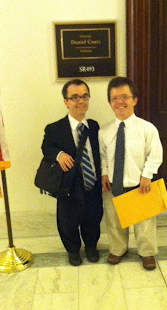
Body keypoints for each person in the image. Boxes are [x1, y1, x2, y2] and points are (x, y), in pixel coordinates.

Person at [99, 76, 163, 270]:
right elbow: (103, 156)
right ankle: (118, 249)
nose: (120, 102)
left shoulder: (147, 128)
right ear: (110, 103)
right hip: (113, 185)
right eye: (115, 98)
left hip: (140, 184)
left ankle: (147, 252)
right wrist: (104, 173)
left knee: (144, 223)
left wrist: (147, 175)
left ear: (135, 100)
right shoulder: (104, 131)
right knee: (114, 221)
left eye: (125, 97)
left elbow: (155, 154)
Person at [41, 79, 103, 266]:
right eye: (74, 97)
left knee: (93, 216)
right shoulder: (54, 128)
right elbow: (46, 148)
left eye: (84, 96)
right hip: (68, 185)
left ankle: (91, 246)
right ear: (66, 101)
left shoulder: (94, 126)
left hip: (92, 182)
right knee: (68, 220)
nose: (80, 101)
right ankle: (73, 250)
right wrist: (59, 154)